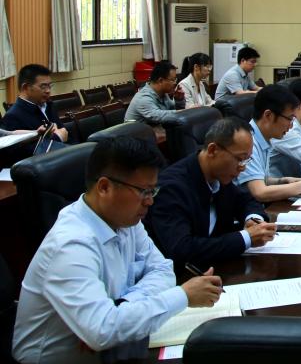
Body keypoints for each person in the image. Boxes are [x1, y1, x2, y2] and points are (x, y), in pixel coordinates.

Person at [12, 137, 222, 363]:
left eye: (153, 191)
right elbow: (102, 330)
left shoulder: (125, 220)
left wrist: (122, 306)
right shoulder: (70, 246)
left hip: (115, 351)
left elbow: (163, 270)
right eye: (144, 191)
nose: (150, 201)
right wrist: (183, 296)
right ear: (104, 187)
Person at [145, 117, 276, 267]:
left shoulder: (219, 175)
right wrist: (246, 238)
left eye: (246, 160)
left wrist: (252, 219)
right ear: (213, 150)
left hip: (217, 267)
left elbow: (246, 200)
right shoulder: (172, 188)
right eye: (240, 159)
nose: (243, 167)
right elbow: (182, 249)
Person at [234, 84, 301, 203]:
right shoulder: (249, 141)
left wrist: (283, 181)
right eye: (289, 119)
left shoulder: (264, 137)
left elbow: (258, 179)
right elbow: (260, 192)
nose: (291, 125)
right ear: (268, 115)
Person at [1, 63, 69, 146]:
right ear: (25, 87)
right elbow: (24, 151)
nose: (48, 91)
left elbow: (63, 132)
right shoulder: (12, 116)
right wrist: (57, 138)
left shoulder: (49, 105)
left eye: (50, 86)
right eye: (43, 86)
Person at [125, 61, 184, 126]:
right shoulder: (143, 98)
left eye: (175, 79)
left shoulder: (162, 93)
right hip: (136, 132)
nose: (175, 83)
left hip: (153, 130)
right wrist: (186, 112)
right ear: (160, 80)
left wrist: (179, 100)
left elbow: (172, 109)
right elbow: (161, 116)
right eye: (173, 80)